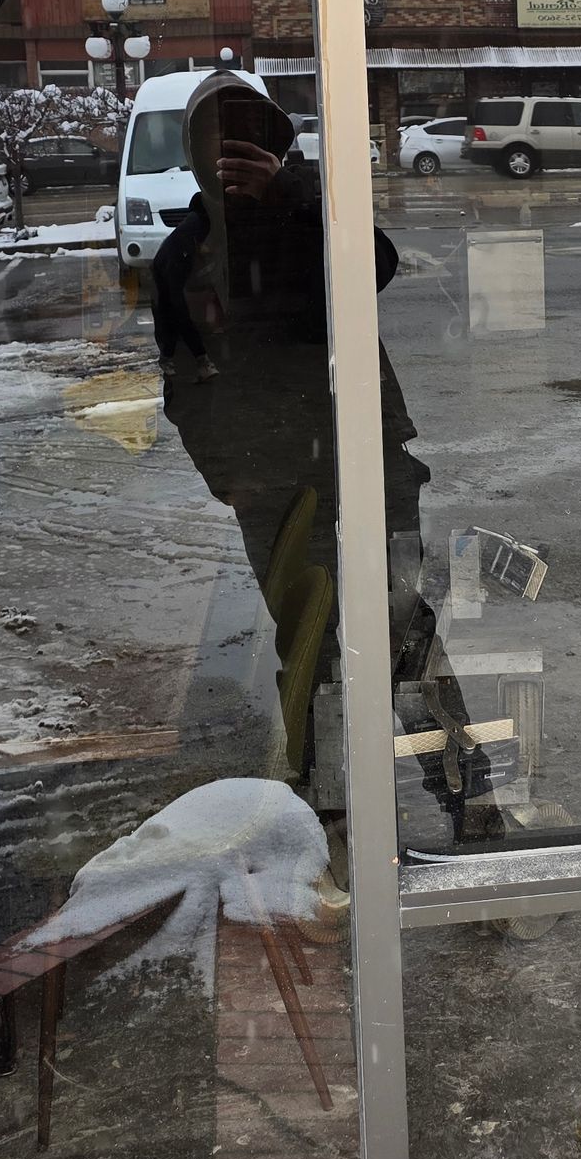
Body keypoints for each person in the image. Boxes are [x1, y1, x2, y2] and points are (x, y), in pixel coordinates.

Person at [149, 71, 492, 840]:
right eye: (215, 142)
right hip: (268, 481)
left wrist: (288, 194)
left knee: (404, 635)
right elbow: (183, 385)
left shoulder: (314, 219)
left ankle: (469, 799)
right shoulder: (184, 255)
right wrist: (230, 479)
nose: (230, 155)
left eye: (248, 139)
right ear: (195, 157)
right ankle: (334, 819)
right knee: (307, 644)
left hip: (368, 465)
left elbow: (376, 265)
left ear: (275, 145)